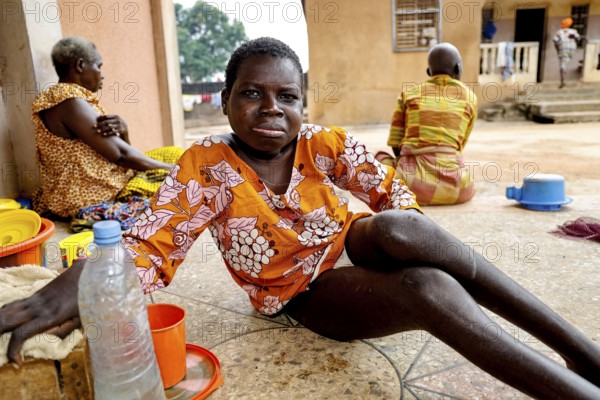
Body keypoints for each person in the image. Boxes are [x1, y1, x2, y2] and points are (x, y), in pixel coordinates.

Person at [1, 37, 600, 398]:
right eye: (252, 94)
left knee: (400, 227)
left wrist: (411, 235)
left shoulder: (323, 142)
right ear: (226, 99)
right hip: (301, 288)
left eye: (286, 97)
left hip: (350, 242)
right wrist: (75, 286)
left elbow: (395, 196)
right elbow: (150, 243)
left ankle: (580, 351)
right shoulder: (206, 166)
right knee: (429, 288)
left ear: (302, 104)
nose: (271, 109)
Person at [32, 36, 181, 221]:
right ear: (80, 65)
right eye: (98, 66)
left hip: (80, 189)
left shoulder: (63, 98)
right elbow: (120, 154)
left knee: (172, 153)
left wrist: (124, 133)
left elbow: (118, 151)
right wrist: (175, 170)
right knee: (176, 185)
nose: (102, 74)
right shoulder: (69, 101)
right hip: (85, 197)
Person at [378, 43, 476, 206]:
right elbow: (459, 145)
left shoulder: (409, 93)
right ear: (458, 68)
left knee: (380, 157)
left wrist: (407, 163)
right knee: (463, 171)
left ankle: (410, 189)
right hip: (458, 189)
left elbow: (396, 143)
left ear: (429, 72)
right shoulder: (470, 97)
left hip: (411, 186)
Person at [553, 18, 581, 89]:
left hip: (563, 49)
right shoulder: (573, 31)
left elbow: (555, 40)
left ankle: (563, 80)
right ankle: (563, 77)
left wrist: (557, 48)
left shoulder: (559, 32)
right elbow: (578, 38)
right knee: (566, 62)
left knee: (563, 64)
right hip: (572, 49)